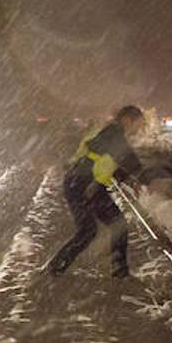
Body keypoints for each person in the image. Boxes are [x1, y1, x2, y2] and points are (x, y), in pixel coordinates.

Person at [47, 105, 146, 278]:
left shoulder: (111, 132)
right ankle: (56, 266)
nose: (139, 128)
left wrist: (130, 180)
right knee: (89, 230)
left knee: (114, 225)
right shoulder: (113, 133)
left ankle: (119, 270)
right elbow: (128, 158)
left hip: (88, 184)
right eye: (138, 123)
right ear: (128, 119)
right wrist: (146, 177)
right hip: (82, 184)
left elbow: (111, 163)